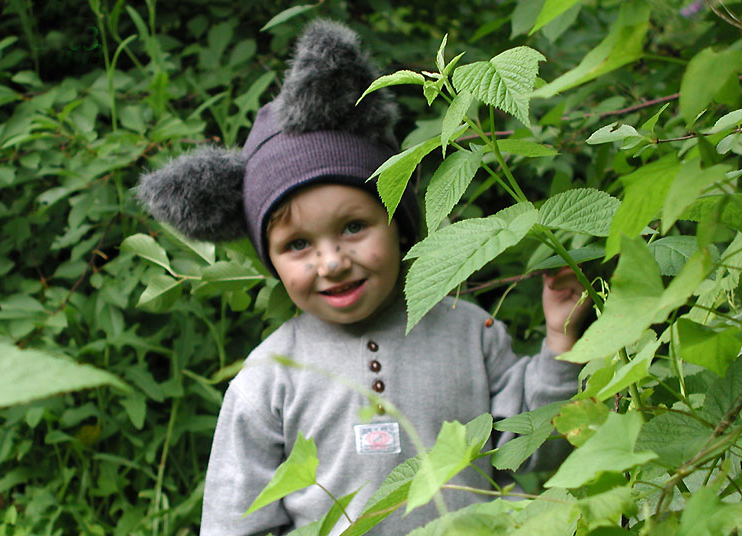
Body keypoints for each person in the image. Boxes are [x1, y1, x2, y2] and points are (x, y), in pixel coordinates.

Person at [137, 19, 590, 536]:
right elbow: (235, 522)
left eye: (353, 227)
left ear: (399, 224)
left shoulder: (470, 333)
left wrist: (560, 344)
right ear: (271, 262)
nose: (331, 262)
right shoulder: (268, 379)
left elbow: (533, 448)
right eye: (298, 245)